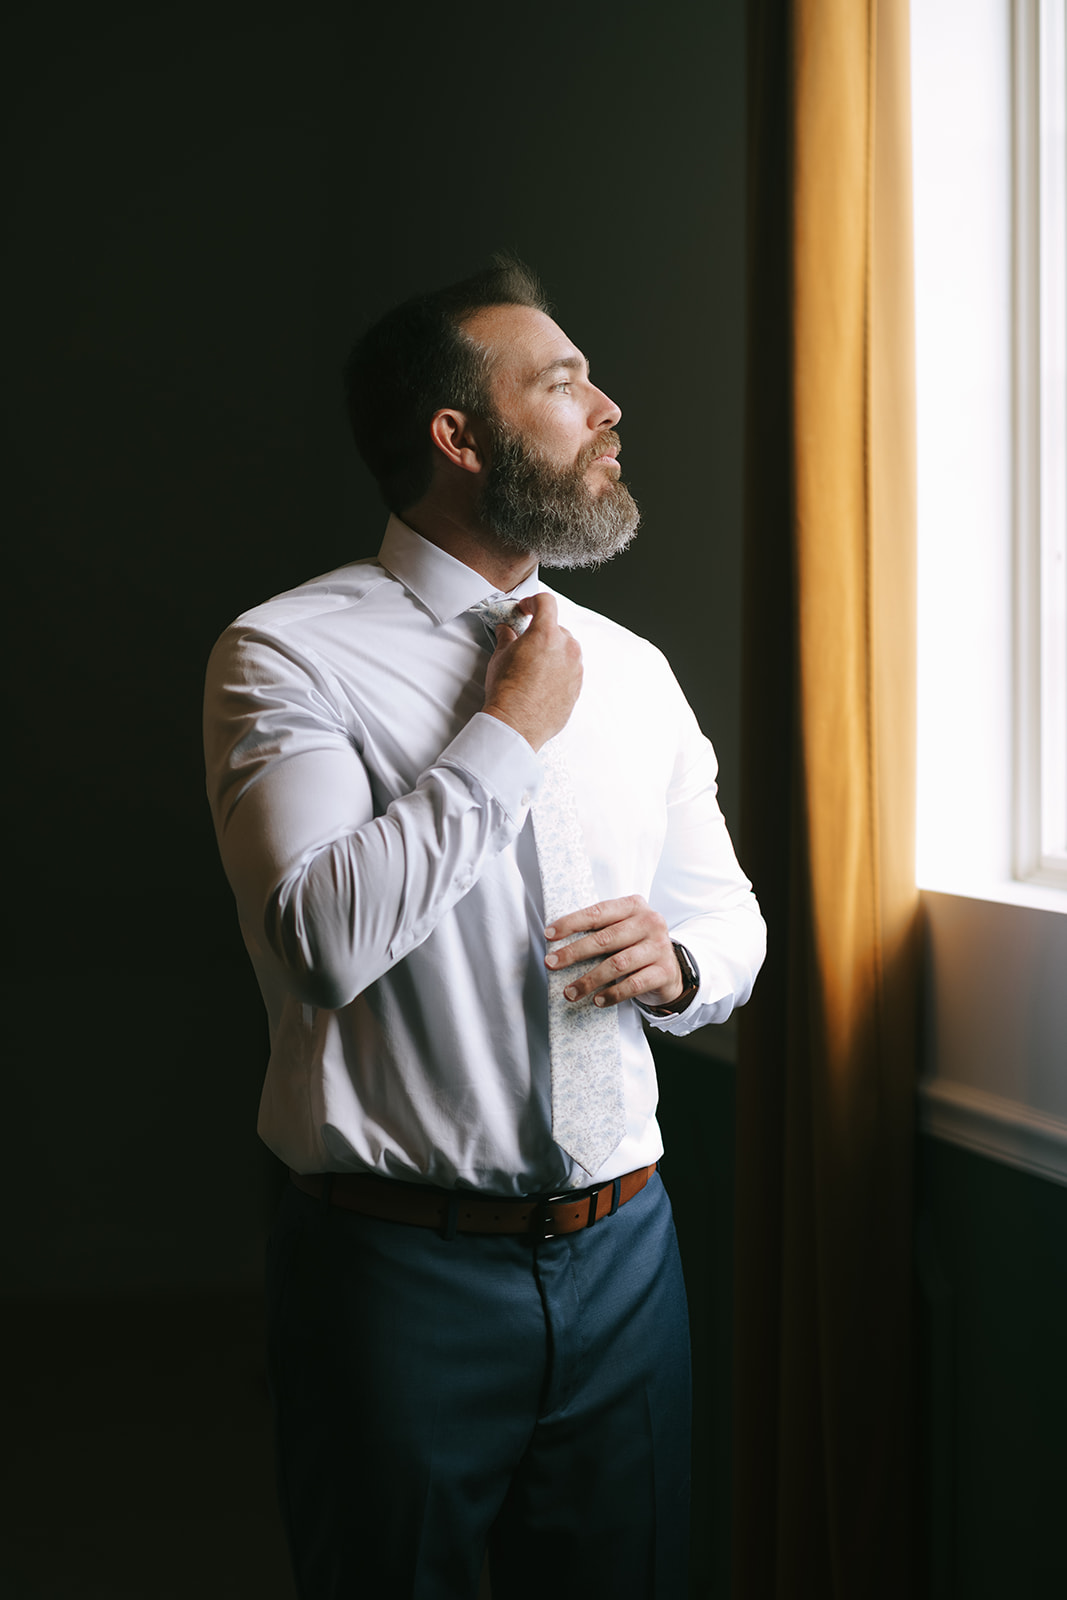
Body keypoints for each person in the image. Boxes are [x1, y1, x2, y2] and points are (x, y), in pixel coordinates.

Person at [203, 259, 765, 1599]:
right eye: (564, 383)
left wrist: (682, 968)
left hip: (632, 1257)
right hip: (394, 1278)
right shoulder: (285, 655)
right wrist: (505, 729)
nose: (609, 406)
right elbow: (322, 939)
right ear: (460, 437)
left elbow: (726, 919)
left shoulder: (633, 673)